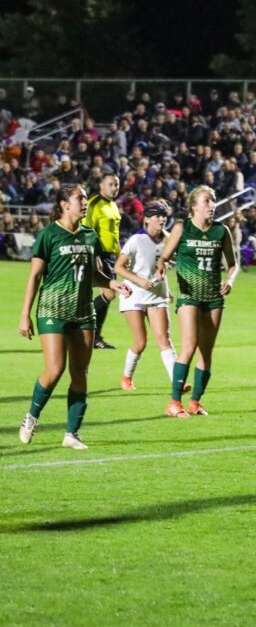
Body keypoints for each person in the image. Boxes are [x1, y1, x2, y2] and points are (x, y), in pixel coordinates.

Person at [17, 184, 132, 449]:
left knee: (80, 372)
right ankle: (31, 416)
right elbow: (34, 276)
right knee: (55, 369)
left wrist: (113, 284)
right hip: (52, 310)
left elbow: (92, 274)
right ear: (64, 204)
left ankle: (72, 434)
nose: (84, 201)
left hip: (82, 312)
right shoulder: (49, 235)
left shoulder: (90, 236)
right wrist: (25, 315)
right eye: (79, 198)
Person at [155, 185, 238, 418]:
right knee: (189, 346)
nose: (212, 205)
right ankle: (173, 403)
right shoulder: (183, 228)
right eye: (207, 201)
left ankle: (195, 402)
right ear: (194, 206)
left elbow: (233, 263)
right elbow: (164, 257)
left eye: (213, 200)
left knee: (206, 351)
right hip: (189, 294)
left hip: (213, 297)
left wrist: (230, 280)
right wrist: (161, 267)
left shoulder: (221, 231)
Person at [114, 201, 178, 391]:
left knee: (164, 339)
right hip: (133, 294)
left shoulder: (169, 241)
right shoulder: (136, 240)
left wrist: (167, 288)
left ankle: (177, 383)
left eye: (164, 216)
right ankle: (127, 377)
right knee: (140, 342)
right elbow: (118, 267)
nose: (162, 219)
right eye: (157, 216)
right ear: (147, 219)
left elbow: (162, 266)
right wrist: (140, 281)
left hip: (157, 295)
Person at [83, 171, 122, 349]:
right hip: (100, 255)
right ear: (101, 185)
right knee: (109, 294)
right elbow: (88, 231)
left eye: (116, 185)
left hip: (111, 256)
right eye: (111, 184)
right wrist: (95, 255)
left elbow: (114, 234)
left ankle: (94, 336)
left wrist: (120, 256)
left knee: (108, 295)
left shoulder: (113, 205)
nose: (114, 188)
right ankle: (87, 328)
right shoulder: (94, 204)